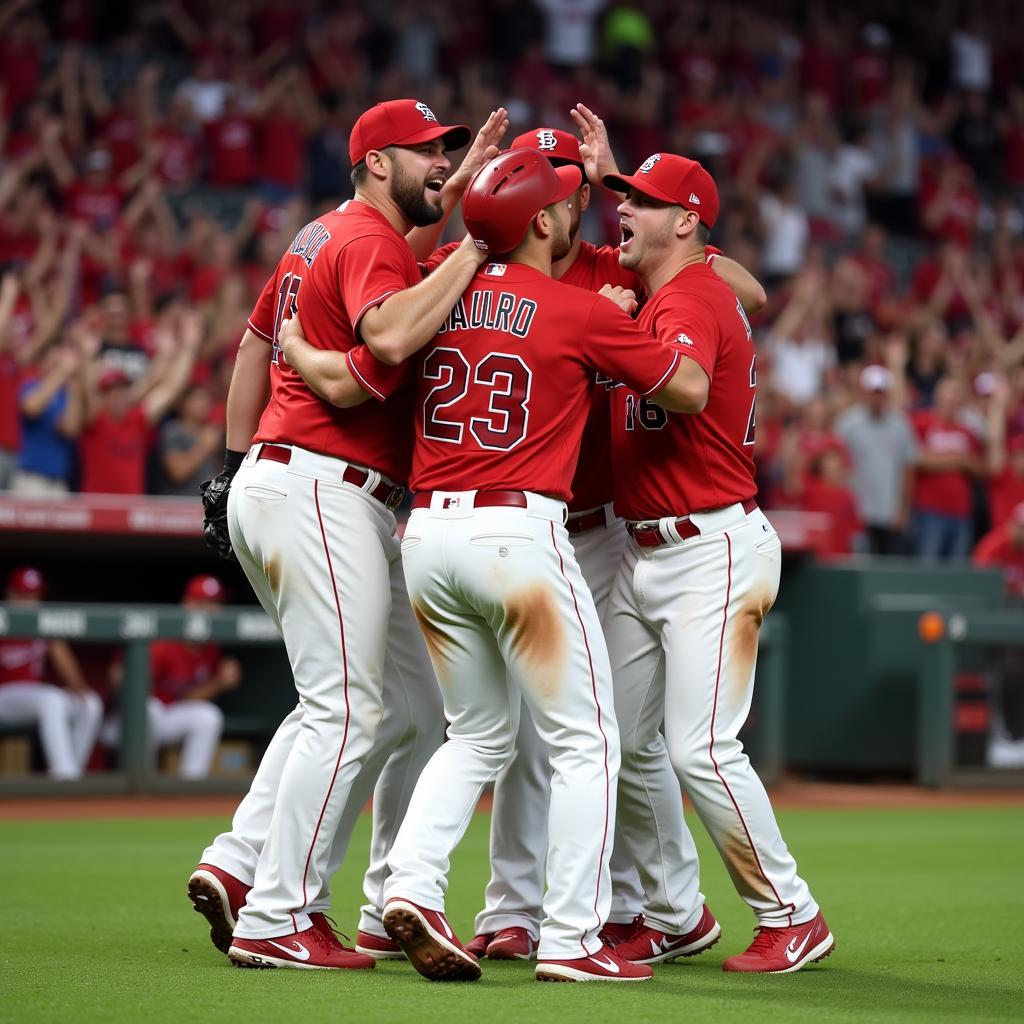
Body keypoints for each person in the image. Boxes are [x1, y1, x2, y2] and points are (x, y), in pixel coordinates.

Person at [289, 148, 726, 983]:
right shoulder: (574, 308)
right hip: (517, 536)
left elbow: (357, 369)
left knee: (478, 733)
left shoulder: (434, 299)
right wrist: (625, 321)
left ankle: (409, 888)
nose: (577, 209)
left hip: (425, 537)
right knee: (588, 740)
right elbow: (689, 389)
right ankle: (572, 936)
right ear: (541, 221)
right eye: (567, 200)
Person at [186, 99, 506, 972]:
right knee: (353, 707)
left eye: (448, 153)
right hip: (324, 484)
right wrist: (476, 241)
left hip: (288, 478)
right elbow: (393, 333)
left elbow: (256, 346)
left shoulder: (316, 238)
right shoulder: (368, 241)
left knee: (403, 702)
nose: (439, 165)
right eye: (425, 154)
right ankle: (281, 914)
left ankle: (243, 863)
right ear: (373, 164)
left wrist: (232, 459)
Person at [459, 126, 768, 961]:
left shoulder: (612, 264)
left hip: (607, 528)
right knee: (546, 736)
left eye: (581, 183)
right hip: (528, 522)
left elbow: (743, 289)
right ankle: (519, 907)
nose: (577, 196)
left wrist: (641, 219)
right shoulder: (487, 272)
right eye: (554, 178)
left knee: (597, 734)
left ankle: (650, 907)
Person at [586, 143, 832, 973]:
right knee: (615, 736)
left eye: (642, 202)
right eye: (622, 197)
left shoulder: (690, 293)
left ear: (687, 223)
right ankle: (671, 913)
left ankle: (791, 912)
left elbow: (685, 385)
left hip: (710, 546)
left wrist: (609, 332)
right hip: (646, 549)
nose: (621, 208)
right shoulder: (674, 286)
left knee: (700, 749)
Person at [102, 575, 239, 778]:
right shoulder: (163, 642)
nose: (212, 610)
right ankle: (141, 781)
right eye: (204, 603)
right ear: (187, 604)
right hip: (124, 725)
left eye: (215, 603)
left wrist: (219, 682)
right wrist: (120, 677)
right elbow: (123, 689)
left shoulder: (211, 648)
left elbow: (188, 699)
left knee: (208, 716)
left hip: (168, 717)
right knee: (151, 709)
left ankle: (191, 784)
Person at [0, 567, 102, 779]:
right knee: (51, 699)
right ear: (10, 594)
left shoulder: (42, 621)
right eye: (25, 595)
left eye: (35, 595)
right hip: (5, 695)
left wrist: (78, 690)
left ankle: (72, 773)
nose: (31, 602)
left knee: (91, 703)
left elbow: (66, 665)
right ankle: (64, 775)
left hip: (32, 698)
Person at [834, 365, 919, 555]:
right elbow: (837, 467)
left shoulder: (900, 425)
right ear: (863, 393)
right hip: (857, 512)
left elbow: (907, 470)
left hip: (890, 513)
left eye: (880, 392)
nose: (876, 397)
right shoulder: (847, 425)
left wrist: (904, 510)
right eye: (873, 392)